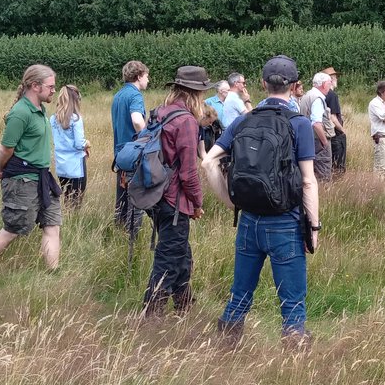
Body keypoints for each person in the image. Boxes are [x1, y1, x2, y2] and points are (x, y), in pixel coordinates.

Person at [202, 55, 320, 347]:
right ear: (294, 86)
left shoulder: (243, 120)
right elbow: (308, 180)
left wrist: (231, 203)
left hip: (249, 221)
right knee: (292, 302)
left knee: (240, 295)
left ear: (263, 83)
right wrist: (314, 228)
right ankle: (294, 359)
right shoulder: (300, 124)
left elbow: (208, 162)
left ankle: (225, 351)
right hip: (285, 223)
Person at [143, 67, 212, 316]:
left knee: (181, 254)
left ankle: (184, 306)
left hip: (155, 196)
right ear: (196, 94)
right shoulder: (186, 121)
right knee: (169, 260)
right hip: (174, 200)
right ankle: (150, 315)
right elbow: (188, 173)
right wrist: (197, 203)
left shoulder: (160, 112)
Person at [0, 65, 62, 270]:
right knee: (13, 229)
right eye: (50, 86)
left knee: (52, 226)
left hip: (43, 178)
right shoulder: (20, 113)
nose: (54, 90)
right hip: (22, 181)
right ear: (35, 86)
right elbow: (6, 148)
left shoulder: (40, 109)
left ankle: (53, 273)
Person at [112, 61, 149, 232]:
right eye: (147, 76)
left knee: (122, 200)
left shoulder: (118, 95)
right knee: (135, 200)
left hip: (120, 155)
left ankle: (118, 235)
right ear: (139, 76)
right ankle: (131, 239)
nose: (148, 80)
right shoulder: (135, 95)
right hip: (133, 155)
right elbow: (136, 119)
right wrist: (147, 137)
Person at [50, 84, 89, 208]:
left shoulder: (53, 119)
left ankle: (66, 221)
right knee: (77, 199)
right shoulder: (76, 119)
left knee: (66, 197)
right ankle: (74, 222)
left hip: (61, 164)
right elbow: (79, 144)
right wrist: (87, 143)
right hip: (76, 166)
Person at [299, 72, 334, 182]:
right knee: (323, 174)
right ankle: (324, 196)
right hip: (317, 140)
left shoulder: (307, 95)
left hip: (307, 139)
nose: (330, 86)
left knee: (310, 174)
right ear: (323, 84)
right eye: (329, 83)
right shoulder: (318, 98)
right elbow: (316, 123)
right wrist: (325, 142)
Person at [368, 80, 385, 174]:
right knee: (381, 168)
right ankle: (379, 187)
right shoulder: (374, 103)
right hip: (381, 138)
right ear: (381, 92)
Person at [323, 67, 347, 176]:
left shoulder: (322, 94)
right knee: (338, 164)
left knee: (330, 161)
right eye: (335, 77)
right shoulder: (332, 95)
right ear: (331, 79)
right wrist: (342, 130)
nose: (337, 79)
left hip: (326, 132)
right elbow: (332, 117)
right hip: (335, 134)